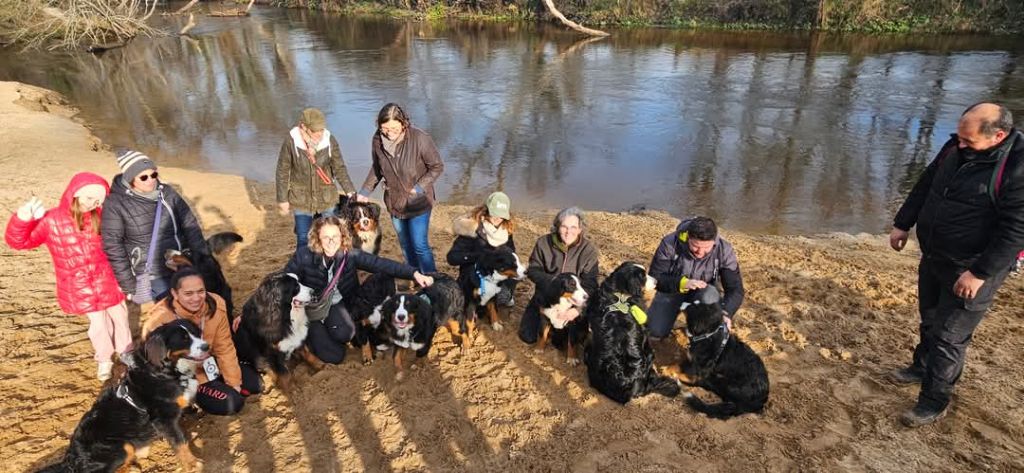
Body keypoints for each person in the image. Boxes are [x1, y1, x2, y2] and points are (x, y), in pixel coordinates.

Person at [889, 102, 1024, 427]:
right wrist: (902, 222)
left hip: (974, 268)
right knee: (930, 317)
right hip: (936, 255)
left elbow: (1016, 229)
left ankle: (933, 401)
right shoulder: (955, 146)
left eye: (969, 142)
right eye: (958, 137)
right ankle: (921, 366)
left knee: (949, 337)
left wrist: (979, 273)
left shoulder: (1017, 168)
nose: (960, 145)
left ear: (998, 136)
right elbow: (926, 183)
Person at [5, 172, 130, 381]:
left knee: (121, 318)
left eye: (98, 200)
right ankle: (104, 359)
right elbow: (19, 242)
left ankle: (128, 354)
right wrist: (22, 219)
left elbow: (120, 244)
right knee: (99, 325)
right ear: (75, 193)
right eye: (89, 198)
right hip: (80, 286)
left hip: (108, 280)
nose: (93, 204)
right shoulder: (51, 220)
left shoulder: (104, 217)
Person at [284, 216, 434, 364]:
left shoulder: (350, 254)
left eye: (335, 236)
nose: (331, 242)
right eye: (325, 237)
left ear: (342, 236)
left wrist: (413, 273)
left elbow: (380, 264)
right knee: (334, 356)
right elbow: (286, 280)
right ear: (317, 238)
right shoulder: (304, 255)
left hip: (337, 305)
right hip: (311, 309)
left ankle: (326, 330)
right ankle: (309, 334)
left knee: (344, 336)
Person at [142, 267, 257, 415]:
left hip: (212, 362)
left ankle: (219, 383)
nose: (196, 298)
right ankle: (193, 399)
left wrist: (234, 382)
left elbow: (225, 347)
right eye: (188, 293)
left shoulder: (216, 304)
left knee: (254, 385)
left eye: (200, 291)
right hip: (188, 377)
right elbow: (157, 368)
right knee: (232, 403)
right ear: (175, 294)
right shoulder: (158, 323)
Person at [102, 150, 206, 308]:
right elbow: (113, 246)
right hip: (154, 273)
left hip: (180, 262)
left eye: (154, 174)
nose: (150, 180)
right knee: (171, 310)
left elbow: (189, 224)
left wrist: (203, 258)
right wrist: (128, 284)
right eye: (143, 177)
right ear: (130, 179)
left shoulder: (167, 193)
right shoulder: (115, 204)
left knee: (193, 305)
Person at [356, 103, 444, 273]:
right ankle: (413, 275)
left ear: (403, 124)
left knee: (420, 245)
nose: (389, 133)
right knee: (405, 244)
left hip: (419, 202)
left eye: (394, 129)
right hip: (394, 202)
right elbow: (377, 167)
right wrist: (365, 191)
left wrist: (419, 187)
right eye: (385, 129)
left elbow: (437, 167)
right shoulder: (377, 140)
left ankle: (433, 280)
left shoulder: (420, 139)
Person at [646, 216, 745, 340]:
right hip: (672, 290)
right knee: (655, 331)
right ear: (688, 237)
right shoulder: (670, 243)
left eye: (706, 248)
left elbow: (735, 289)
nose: (700, 252)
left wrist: (725, 313)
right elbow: (655, 278)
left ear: (714, 241)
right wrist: (683, 283)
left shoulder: (724, 250)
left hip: (704, 293)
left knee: (709, 304)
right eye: (695, 246)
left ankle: (697, 324)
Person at [277, 107, 357, 250]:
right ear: (303, 127)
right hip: (301, 199)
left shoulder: (329, 140)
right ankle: (304, 269)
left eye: (321, 130)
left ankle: (333, 265)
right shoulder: (291, 141)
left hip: (326, 197)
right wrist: (282, 199)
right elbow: (282, 171)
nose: (320, 134)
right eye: (315, 131)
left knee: (332, 235)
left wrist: (350, 191)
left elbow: (339, 168)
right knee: (303, 237)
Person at [518, 207, 600, 344]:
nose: (569, 232)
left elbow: (591, 284)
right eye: (564, 227)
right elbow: (533, 270)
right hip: (546, 297)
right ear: (557, 227)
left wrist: (577, 310)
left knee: (563, 342)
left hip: (574, 301)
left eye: (574, 227)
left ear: (580, 229)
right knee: (527, 336)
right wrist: (553, 283)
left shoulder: (589, 250)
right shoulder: (543, 243)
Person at [447, 191, 519, 320]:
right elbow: (452, 258)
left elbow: (512, 255)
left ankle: (503, 298)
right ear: (486, 210)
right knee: (465, 306)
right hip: (472, 278)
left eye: (501, 215)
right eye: (494, 213)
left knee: (503, 296)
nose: (498, 218)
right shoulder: (471, 229)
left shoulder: (506, 231)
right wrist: (478, 256)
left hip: (497, 278)